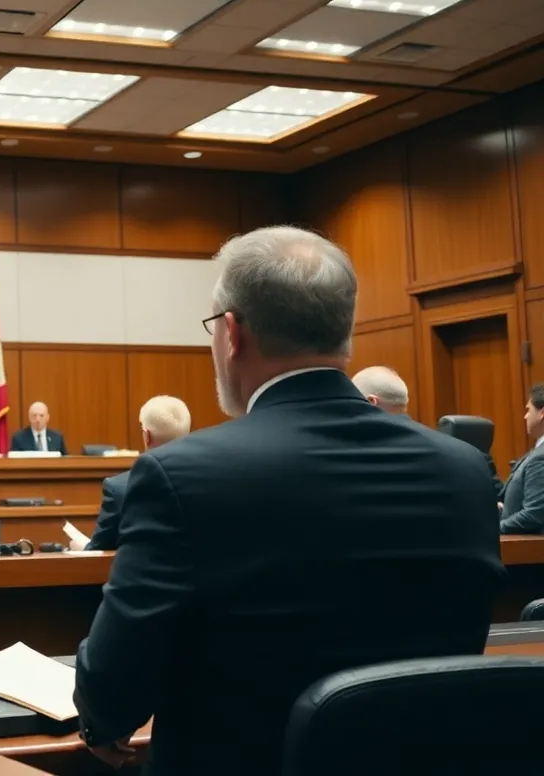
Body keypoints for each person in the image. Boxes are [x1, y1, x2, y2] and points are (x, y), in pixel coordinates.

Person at [73, 226, 504, 775]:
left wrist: (102, 721)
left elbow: (113, 691)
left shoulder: (181, 474)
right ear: (343, 333)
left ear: (231, 333)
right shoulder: (464, 470)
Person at [71, 396, 190, 552]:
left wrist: (83, 549)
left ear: (146, 436)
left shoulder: (120, 488)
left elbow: (100, 549)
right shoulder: (209, 481)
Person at [500, 384, 544, 534]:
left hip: (528, 553)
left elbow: (534, 515)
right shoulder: (538, 452)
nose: (525, 416)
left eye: (528, 410)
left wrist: (495, 529)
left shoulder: (541, 457)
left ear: (541, 413)